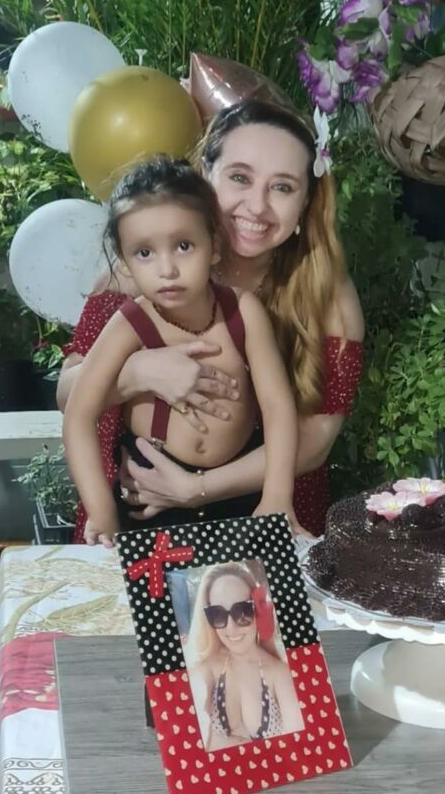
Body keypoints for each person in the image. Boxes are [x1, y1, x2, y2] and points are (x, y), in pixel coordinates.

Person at [58, 99, 364, 539]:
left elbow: (314, 441)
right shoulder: (134, 278)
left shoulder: (324, 295)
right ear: (206, 173)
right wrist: (136, 372)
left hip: (261, 504)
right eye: (240, 177)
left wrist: (194, 489)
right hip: (139, 500)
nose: (256, 206)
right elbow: (69, 398)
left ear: (305, 202)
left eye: (282, 187)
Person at [62, 156, 298, 547]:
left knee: (242, 586)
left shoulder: (243, 311)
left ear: (215, 246)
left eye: (183, 246)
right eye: (144, 253)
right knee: (157, 588)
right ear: (124, 259)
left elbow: (277, 406)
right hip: (149, 497)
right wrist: (101, 510)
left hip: (237, 497)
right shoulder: (128, 324)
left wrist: (276, 495)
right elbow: (78, 415)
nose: (167, 269)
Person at [184, 562, 303, 750]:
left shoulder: (280, 673)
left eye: (242, 611)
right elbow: (191, 737)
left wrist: (219, 742)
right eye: (217, 614)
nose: (231, 628)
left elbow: (297, 745)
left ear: (259, 610)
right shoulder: (205, 668)